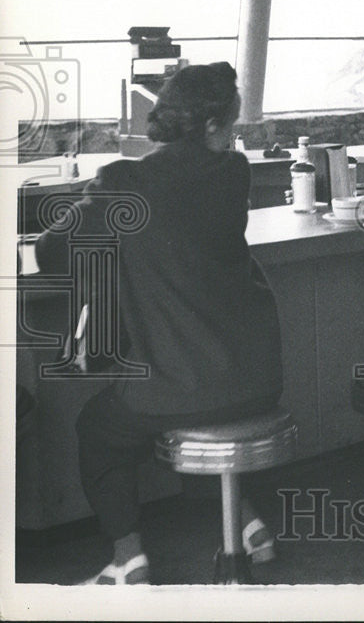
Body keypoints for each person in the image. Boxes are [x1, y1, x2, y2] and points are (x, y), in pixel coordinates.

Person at [35, 63, 283, 584]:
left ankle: (129, 560)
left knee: (101, 428)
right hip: (257, 378)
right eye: (233, 120)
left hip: (179, 384)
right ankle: (246, 523)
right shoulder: (234, 172)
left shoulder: (125, 182)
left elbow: (51, 248)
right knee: (182, 418)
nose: (237, 130)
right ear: (214, 125)